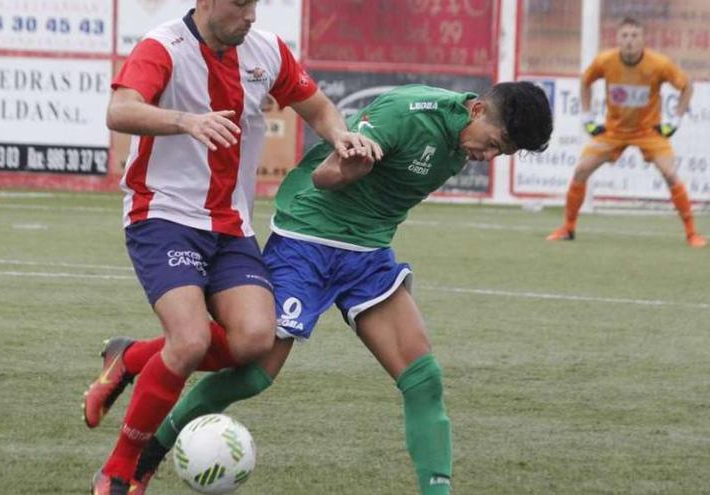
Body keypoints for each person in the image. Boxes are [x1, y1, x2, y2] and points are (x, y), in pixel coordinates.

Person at [93, 81, 554, 494]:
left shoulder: (465, 138)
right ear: (477, 112)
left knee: (424, 379)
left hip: (368, 253)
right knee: (252, 373)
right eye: (493, 144)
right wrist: (348, 168)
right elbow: (324, 176)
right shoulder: (407, 113)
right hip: (308, 239)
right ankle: (149, 454)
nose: (489, 157)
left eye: (503, 153)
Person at [84, 1, 380, 494]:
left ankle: (132, 358)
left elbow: (319, 108)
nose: (251, 16)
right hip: (164, 215)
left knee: (253, 342)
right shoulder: (164, 46)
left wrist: (340, 136)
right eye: (240, 4)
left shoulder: (265, 51)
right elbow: (120, 109)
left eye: (255, 4)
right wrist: (185, 121)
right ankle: (120, 470)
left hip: (231, 224)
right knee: (191, 340)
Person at [547, 17, 706, 247]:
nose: (629, 41)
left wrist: (674, 120)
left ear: (643, 40)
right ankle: (568, 228)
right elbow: (585, 82)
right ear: (617, 39)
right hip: (614, 131)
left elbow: (686, 87)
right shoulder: (605, 61)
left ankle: (692, 234)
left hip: (648, 132)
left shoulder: (659, 64)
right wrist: (587, 118)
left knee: (670, 174)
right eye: (625, 36)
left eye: (634, 36)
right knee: (581, 170)